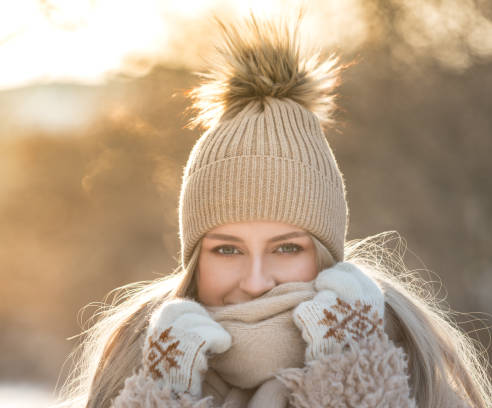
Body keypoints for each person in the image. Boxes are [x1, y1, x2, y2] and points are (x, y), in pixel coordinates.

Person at [57, 13, 492, 408]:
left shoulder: (417, 377)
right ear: (194, 260)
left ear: (327, 255)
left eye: (286, 249)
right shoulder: (132, 374)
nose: (256, 281)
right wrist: (161, 396)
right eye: (227, 250)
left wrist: (353, 378)